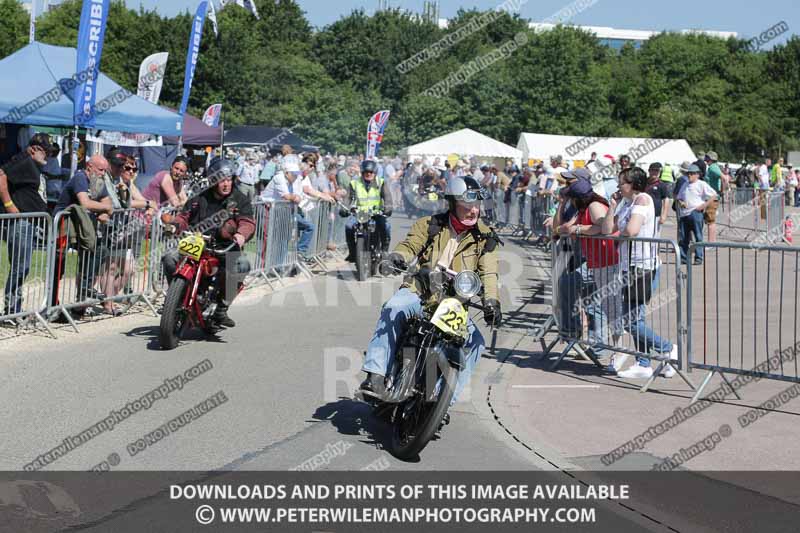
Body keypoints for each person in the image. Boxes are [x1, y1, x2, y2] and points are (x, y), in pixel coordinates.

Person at [358, 176, 501, 406]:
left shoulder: (486, 239)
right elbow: (409, 246)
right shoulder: (430, 224)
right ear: (453, 203)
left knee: (476, 343)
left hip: (454, 305)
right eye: (467, 204)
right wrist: (397, 257)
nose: (474, 210)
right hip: (420, 291)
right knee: (394, 308)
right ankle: (375, 375)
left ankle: (442, 405)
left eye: (477, 205)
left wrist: (492, 303)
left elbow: (490, 274)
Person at [600, 167, 678, 379]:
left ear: (633, 183)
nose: (618, 186)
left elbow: (632, 230)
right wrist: (612, 207)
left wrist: (618, 237)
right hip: (629, 266)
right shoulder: (627, 203)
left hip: (642, 266)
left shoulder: (643, 199)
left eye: (622, 182)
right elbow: (607, 229)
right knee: (636, 319)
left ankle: (667, 348)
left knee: (631, 321)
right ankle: (643, 363)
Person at [160, 158, 255, 327]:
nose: (226, 184)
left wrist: (241, 234)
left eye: (228, 179)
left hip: (225, 247)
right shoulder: (199, 197)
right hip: (197, 242)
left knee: (241, 266)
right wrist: (174, 226)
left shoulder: (240, 199)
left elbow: (247, 222)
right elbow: (184, 216)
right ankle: (176, 297)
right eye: (221, 180)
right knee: (169, 257)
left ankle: (221, 308)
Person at [558, 175, 620, 371]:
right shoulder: (583, 208)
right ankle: (600, 345)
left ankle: (617, 353)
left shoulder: (594, 205)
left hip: (606, 260)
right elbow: (560, 228)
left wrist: (578, 228)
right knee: (594, 301)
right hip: (596, 261)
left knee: (609, 308)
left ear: (579, 197)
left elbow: (603, 227)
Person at [51, 155, 114, 319]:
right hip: (64, 225)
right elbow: (85, 203)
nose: (103, 173)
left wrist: (105, 211)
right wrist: (104, 208)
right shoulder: (80, 177)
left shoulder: (98, 181)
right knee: (58, 267)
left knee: (100, 251)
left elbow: (109, 206)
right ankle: (52, 306)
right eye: (100, 170)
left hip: (82, 227)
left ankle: (82, 297)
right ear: (89, 166)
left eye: (105, 170)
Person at [0, 133, 52, 319]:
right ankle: (12, 310)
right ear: (34, 149)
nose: (48, 156)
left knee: (23, 267)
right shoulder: (23, 160)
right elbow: (1, 175)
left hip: (29, 223)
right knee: (20, 267)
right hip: (20, 223)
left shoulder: (33, 166)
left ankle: (14, 308)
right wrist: (9, 205)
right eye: (46, 152)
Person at [341, 159, 392, 262]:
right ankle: (352, 253)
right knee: (349, 226)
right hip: (360, 213)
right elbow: (347, 198)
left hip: (376, 213)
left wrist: (388, 207)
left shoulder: (381, 183)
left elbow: (387, 197)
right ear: (362, 172)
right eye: (366, 172)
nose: (368, 174)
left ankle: (384, 252)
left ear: (375, 172)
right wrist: (344, 208)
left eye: (371, 172)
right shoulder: (354, 183)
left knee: (386, 227)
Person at [676, 164, 717, 265]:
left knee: (698, 236)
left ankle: (698, 257)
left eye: (691, 173)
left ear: (697, 174)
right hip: (685, 214)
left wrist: (704, 205)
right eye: (688, 173)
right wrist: (681, 203)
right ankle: (683, 257)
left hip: (696, 213)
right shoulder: (685, 184)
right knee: (684, 237)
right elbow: (679, 197)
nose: (689, 175)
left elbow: (714, 195)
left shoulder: (701, 184)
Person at [645, 163, 672, 231]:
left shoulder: (662, 185)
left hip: (656, 215)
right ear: (649, 171)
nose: (655, 172)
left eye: (657, 171)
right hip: (644, 213)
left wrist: (664, 215)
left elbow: (666, 199)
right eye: (653, 170)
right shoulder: (643, 182)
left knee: (654, 237)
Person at [703, 152, 722, 242]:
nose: (705, 160)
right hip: (712, 197)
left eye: (707, 158)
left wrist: (722, 190)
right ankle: (712, 242)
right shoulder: (713, 167)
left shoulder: (713, 167)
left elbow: (723, 177)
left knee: (710, 222)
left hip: (711, 198)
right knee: (711, 221)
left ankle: (710, 243)